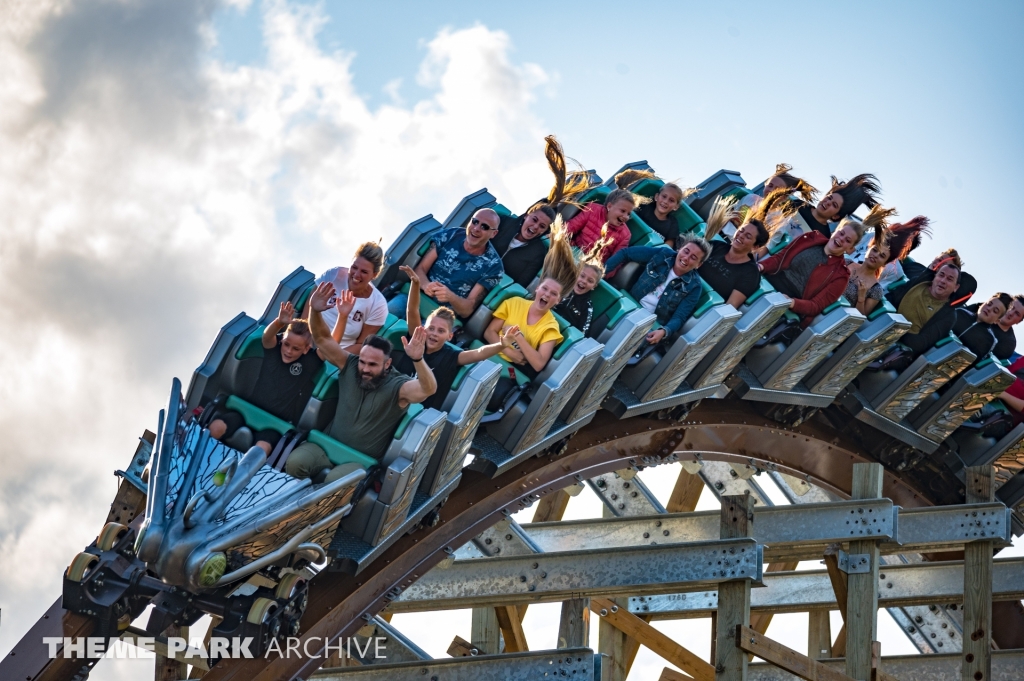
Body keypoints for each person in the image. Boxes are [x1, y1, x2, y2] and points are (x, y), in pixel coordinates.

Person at [285, 283, 437, 481]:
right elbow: (322, 339)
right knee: (295, 463)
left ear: (387, 363)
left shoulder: (398, 386)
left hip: (359, 460)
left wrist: (418, 359)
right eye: (363, 362)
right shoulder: (350, 364)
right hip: (325, 445)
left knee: (333, 483)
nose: (365, 368)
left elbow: (428, 389)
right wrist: (315, 310)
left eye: (372, 364)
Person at [392, 265, 519, 410]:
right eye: (431, 328)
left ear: (449, 336)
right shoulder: (416, 339)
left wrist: (501, 345)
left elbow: (479, 353)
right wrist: (416, 285)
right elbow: (412, 310)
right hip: (394, 396)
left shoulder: (451, 356)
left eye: (441, 331)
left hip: (418, 410)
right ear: (424, 329)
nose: (434, 333)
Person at [482, 223, 579, 411]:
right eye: (545, 289)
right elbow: (489, 332)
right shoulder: (515, 302)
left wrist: (518, 338)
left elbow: (538, 363)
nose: (547, 295)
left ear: (557, 300)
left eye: (553, 294)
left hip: (510, 373)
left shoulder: (551, 326)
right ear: (537, 289)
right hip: (490, 354)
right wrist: (510, 352)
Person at [207, 302, 323, 455]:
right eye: (286, 344)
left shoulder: (308, 362)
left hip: (274, 426)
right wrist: (279, 322)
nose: (288, 351)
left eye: (295, 349)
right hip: (246, 412)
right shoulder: (274, 350)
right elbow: (267, 336)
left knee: (262, 448)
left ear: (306, 349)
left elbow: (327, 347)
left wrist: (342, 316)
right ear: (282, 339)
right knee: (216, 427)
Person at [490, 136, 590, 287]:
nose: (536, 227)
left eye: (542, 226)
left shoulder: (537, 253)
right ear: (527, 215)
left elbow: (520, 284)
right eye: (534, 220)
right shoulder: (502, 223)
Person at [758, 211, 875, 326]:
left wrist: (791, 302)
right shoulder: (810, 238)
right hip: (769, 281)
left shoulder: (841, 275)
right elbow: (779, 259)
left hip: (790, 301)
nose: (841, 239)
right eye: (841, 233)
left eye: (848, 240)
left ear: (850, 248)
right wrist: (760, 266)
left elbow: (815, 306)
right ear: (835, 231)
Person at [387, 208, 505, 319]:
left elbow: (467, 309)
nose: (476, 228)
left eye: (484, 227)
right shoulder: (451, 235)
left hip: (444, 316)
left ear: (493, 234)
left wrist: (451, 297)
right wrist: (426, 285)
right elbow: (421, 269)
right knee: (388, 313)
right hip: (415, 297)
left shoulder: (493, 266)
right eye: (475, 222)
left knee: (426, 336)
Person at [604, 235, 712, 345]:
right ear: (680, 249)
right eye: (686, 251)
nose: (686, 258)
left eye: (693, 258)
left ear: (699, 264)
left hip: (650, 324)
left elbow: (679, 317)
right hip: (630, 306)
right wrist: (601, 273)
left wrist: (664, 331)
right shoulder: (662, 254)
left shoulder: (695, 286)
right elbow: (626, 253)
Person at [700, 191, 797, 308]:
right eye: (741, 231)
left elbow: (729, 307)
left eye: (748, 236)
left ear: (755, 247)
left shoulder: (750, 274)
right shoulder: (715, 246)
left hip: (706, 306)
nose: (741, 235)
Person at [760, 173, 881, 257]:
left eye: (834, 205)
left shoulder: (823, 237)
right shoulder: (797, 204)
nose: (827, 203)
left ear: (836, 216)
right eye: (829, 198)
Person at [305, 241, 388, 353]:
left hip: (338, 352)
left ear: (374, 275)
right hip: (308, 339)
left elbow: (361, 345)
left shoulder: (377, 304)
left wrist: (331, 356)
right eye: (354, 267)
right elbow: (309, 307)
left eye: (364, 272)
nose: (356, 274)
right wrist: (304, 338)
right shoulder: (334, 275)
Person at [878, 261, 962, 361]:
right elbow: (890, 298)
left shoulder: (949, 316)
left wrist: (895, 329)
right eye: (941, 275)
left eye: (949, 279)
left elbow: (920, 344)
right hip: (882, 324)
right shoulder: (917, 283)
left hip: (898, 348)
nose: (943, 281)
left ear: (956, 287)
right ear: (935, 276)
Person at [841, 207, 900, 315]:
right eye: (875, 250)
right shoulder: (846, 262)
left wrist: (861, 297)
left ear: (885, 263)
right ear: (868, 249)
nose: (876, 255)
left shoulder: (876, 290)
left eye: (882, 256)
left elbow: (860, 318)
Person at [566, 185, 638, 264]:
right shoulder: (592, 209)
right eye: (623, 211)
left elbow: (616, 261)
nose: (626, 217)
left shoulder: (625, 235)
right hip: (576, 250)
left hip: (592, 265)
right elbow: (572, 226)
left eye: (628, 214)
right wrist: (558, 233)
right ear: (609, 206)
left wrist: (603, 273)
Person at [902, 248, 977, 307]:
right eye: (939, 259)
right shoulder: (914, 265)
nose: (938, 264)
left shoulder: (936, 292)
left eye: (944, 265)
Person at [554, 250, 605, 336]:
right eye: (582, 276)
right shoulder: (560, 288)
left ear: (594, 286)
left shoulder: (587, 306)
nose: (584, 281)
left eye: (590, 281)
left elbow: (583, 333)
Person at [952, 293, 1013, 361]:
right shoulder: (959, 312)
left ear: (997, 321)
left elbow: (971, 362)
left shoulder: (989, 340)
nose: (989, 309)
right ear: (982, 304)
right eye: (989, 304)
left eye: (995, 311)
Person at [635, 182, 687, 247]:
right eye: (664, 196)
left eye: (671, 200)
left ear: (676, 206)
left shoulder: (672, 223)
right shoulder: (644, 207)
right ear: (656, 197)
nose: (665, 201)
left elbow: (667, 246)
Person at [992, 294, 1024, 360]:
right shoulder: (984, 310)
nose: (1011, 313)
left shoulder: (1009, 343)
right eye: (1011, 307)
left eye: (1017, 313)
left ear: (1019, 321)